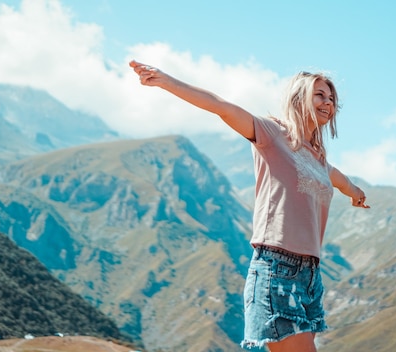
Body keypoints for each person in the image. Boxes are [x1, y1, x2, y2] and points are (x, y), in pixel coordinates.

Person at [130, 60, 370, 352]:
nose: (328, 102)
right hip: (277, 268)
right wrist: (166, 81)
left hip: (309, 274)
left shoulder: (318, 159)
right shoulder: (271, 134)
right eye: (319, 94)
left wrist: (356, 193)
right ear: (299, 98)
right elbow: (222, 106)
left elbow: (340, 180)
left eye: (331, 98)